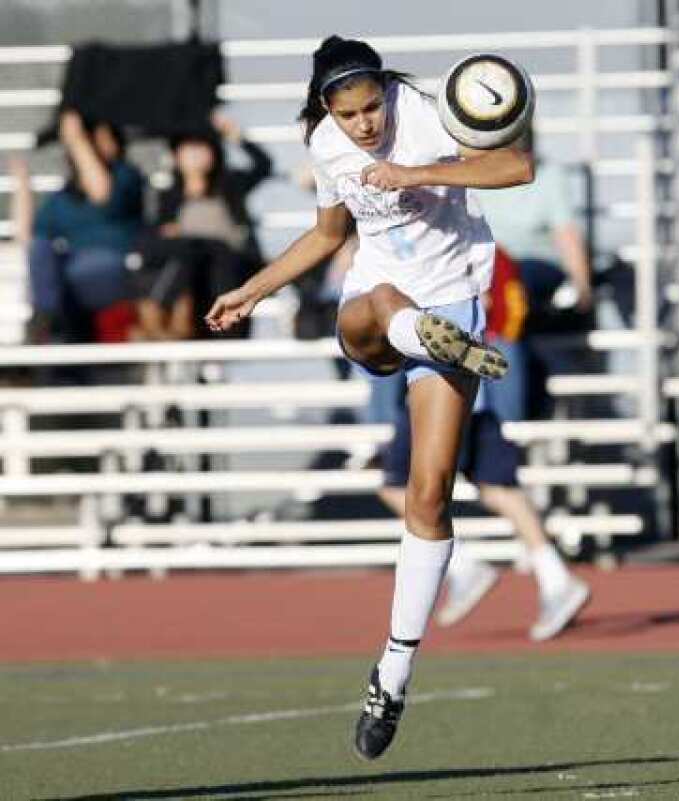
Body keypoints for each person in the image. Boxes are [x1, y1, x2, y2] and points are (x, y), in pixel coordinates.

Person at [204, 35, 534, 761]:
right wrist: (252, 291)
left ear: (386, 88)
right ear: (326, 109)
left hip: (454, 297)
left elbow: (517, 164)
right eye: (348, 112)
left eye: (371, 105)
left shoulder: (428, 114)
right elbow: (329, 234)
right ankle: (414, 330)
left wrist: (413, 170)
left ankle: (392, 672)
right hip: (377, 302)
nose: (364, 124)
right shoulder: (326, 142)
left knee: (429, 494)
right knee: (374, 304)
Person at [377, 375, 591, 642]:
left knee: (397, 487)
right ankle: (556, 579)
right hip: (474, 395)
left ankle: (462, 566)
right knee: (498, 488)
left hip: (435, 396)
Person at [475, 129, 593, 420]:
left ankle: (504, 430)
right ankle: (496, 430)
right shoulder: (472, 175)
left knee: (502, 307)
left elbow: (566, 235)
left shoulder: (549, 176)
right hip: (486, 273)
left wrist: (582, 286)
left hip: (529, 270)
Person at [132, 112, 273, 340]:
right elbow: (151, 238)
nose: (195, 155)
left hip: (227, 259)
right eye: (189, 148)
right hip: (190, 264)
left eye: (201, 147)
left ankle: (159, 309)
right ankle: (174, 315)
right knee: (188, 250)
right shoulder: (167, 196)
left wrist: (235, 136)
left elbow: (263, 166)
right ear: (176, 155)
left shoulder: (230, 185)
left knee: (204, 251)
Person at [28, 110, 144, 344]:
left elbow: (101, 193)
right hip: (67, 284)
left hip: (114, 272)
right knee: (40, 251)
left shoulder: (126, 176)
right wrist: (22, 182)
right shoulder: (63, 198)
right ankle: (48, 323)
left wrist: (76, 137)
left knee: (79, 275)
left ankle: (49, 327)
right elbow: (33, 237)